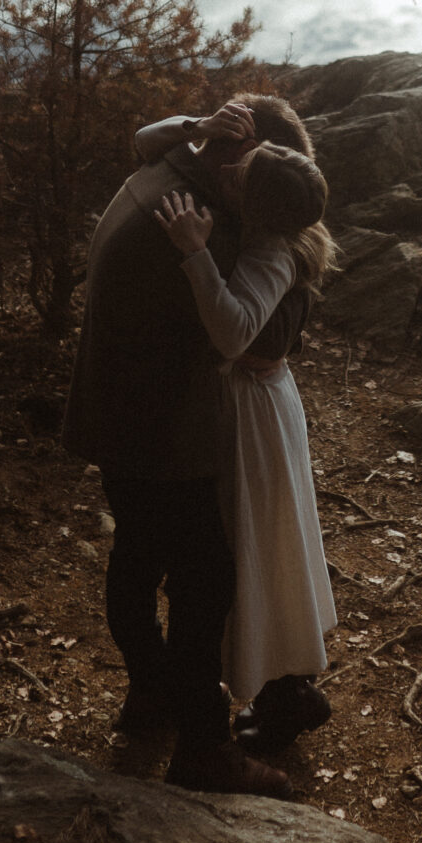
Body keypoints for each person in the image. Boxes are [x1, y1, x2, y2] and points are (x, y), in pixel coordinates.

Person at [59, 94, 308, 797]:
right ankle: (203, 747)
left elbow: (144, 137)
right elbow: (247, 337)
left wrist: (197, 128)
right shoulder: (199, 228)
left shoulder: (167, 172)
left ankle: (150, 693)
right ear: (238, 163)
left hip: (110, 408)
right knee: (204, 584)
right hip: (161, 429)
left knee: (136, 560)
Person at [153, 145, 338, 757]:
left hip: (254, 416)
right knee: (273, 538)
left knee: (262, 542)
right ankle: (289, 691)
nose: (228, 169)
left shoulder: (266, 252)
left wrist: (195, 253)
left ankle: (287, 698)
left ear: (259, 206)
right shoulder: (281, 239)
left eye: (243, 171)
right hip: (266, 405)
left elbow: (232, 333)